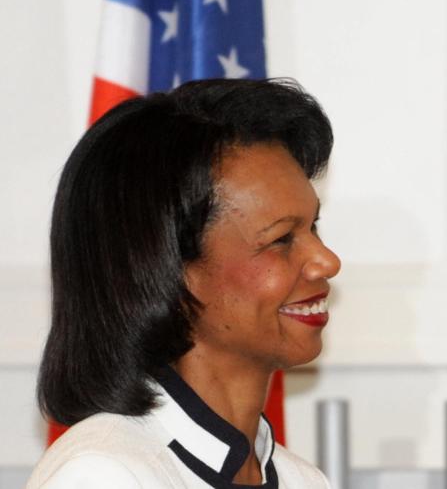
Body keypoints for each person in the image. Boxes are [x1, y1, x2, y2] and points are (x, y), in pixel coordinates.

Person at [28, 78, 341, 488]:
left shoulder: (304, 480)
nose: (326, 261)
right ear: (168, 267)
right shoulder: (102, 475)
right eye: (281, 239)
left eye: (313, 226)